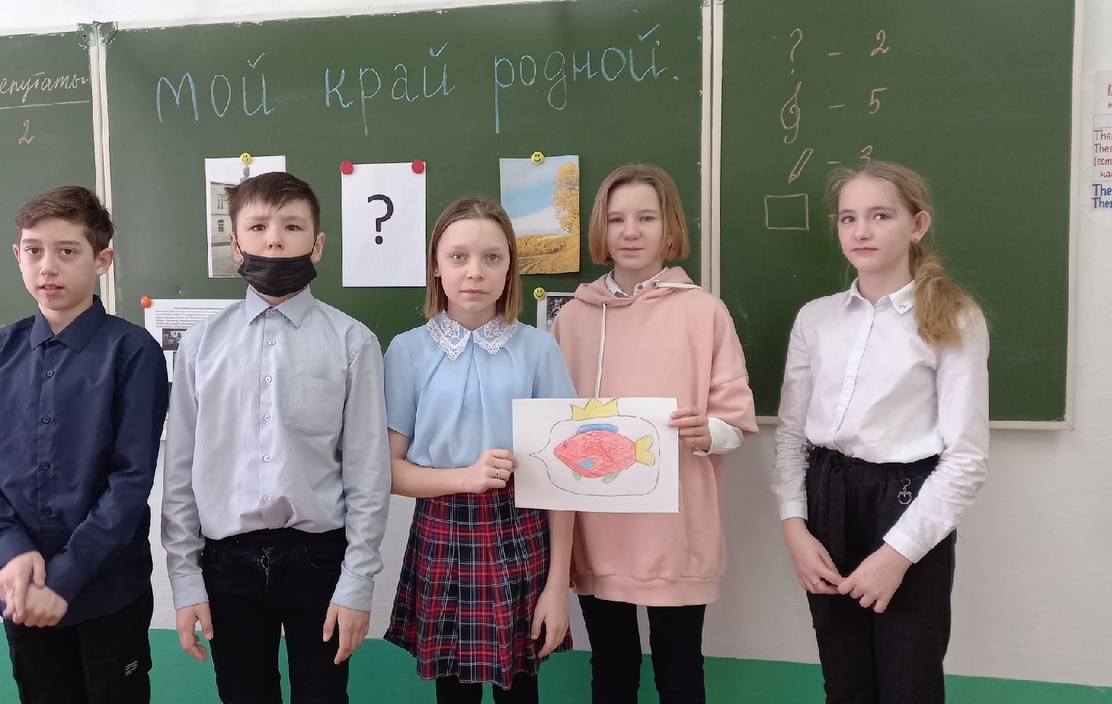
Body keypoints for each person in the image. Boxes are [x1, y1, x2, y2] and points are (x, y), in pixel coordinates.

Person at [161, 171, 391, 704]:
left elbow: (367, 471)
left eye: (292, 226)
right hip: (226, 565)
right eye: (258, 227)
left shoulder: (352, 342)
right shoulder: (200, 346)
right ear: (236, 243)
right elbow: (180, 471)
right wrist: (185, 580)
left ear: (317, 243)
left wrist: (358, 582)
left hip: (319, 561)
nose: (274, 240)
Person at [773, 161, 989, 703]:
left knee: (908, 683)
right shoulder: (816, 319)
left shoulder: (954, 317)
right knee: (845, 683)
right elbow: (792, 436)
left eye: (880, 216)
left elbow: (965, 459)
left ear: (917, 224)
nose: (861, 231)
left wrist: (897, 555)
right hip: (826, 501)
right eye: (848, 218)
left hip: (909, 504)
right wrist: (795, 528)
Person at [0, 186, 169, 703]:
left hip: (107, 594)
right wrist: (10, 548)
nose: (47, 266)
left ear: (102, 260)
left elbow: (130, 483)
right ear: (17, 255)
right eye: (34, 250)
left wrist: (64, 579)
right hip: (22, 593)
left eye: (67, 251)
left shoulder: (133, 352)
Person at [548, 163, 758, 704]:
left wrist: (707, 431)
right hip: (598, 531)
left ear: (670, 228)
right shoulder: (571, 318)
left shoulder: (705, 312)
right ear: (601, 228)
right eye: (617, 219)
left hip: (676, 533)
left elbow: (736, 423)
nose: (631, 231)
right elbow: (550, 425)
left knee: (680, 669)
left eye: (646, 217)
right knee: (611, 670)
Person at [384, 196, 576, 704]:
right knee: (455, 690)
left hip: (522, 529)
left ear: (510, 267)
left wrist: (557, 585)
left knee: (522, 688)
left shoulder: (539, 349)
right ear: (436, 265)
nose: (475, 271)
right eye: (458, 256)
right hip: (443, 529)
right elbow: (389, 472)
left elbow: (564, 480)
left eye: (492, 257)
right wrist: (464, 478)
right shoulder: (406, 350)